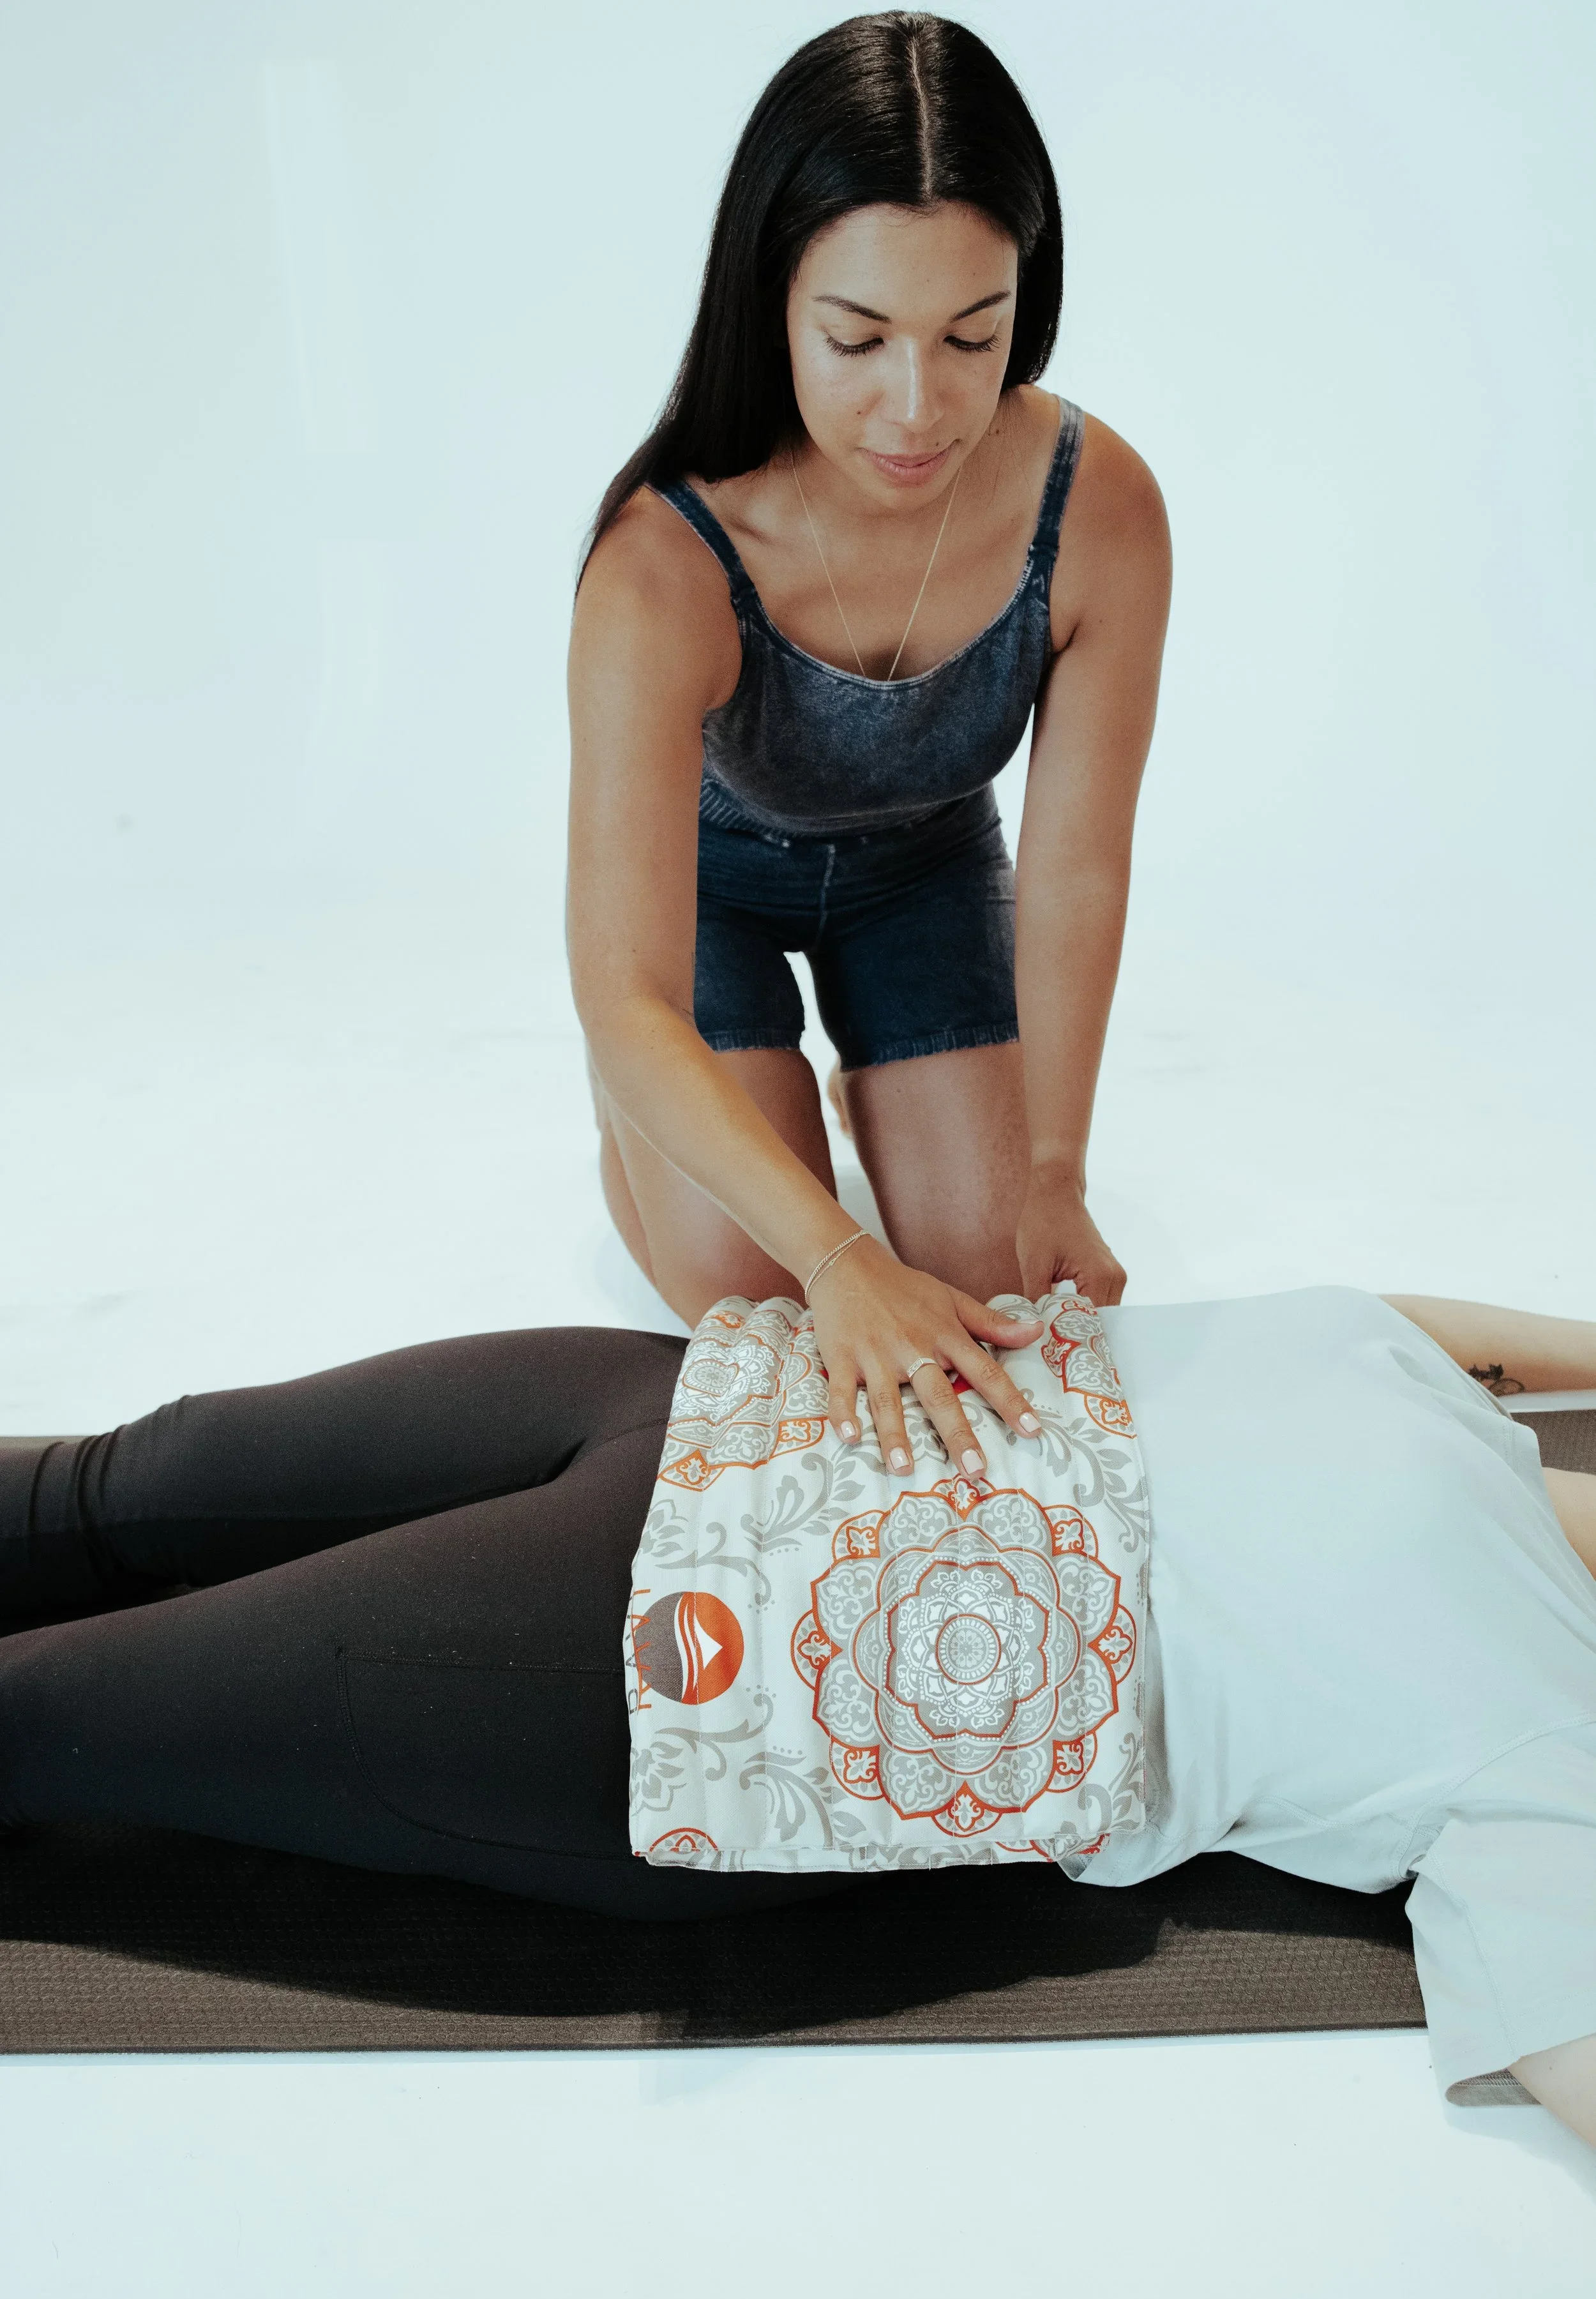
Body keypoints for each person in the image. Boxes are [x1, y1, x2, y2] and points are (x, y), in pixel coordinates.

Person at [2, 1284, 1593, 2148]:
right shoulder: (1441, 1374)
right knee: (108, 1488)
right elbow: (1443, 1322)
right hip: (679, 1398)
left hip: (668, 1670)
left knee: (42, 1715)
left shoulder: (1550, 1754)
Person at [566, 12, 1171, 1465]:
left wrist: (1053, 1166)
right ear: (769, 304)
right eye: (856, 339)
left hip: (920, 872)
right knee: (765, 1315)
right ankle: (654, 1141)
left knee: (992, 1292)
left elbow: (1075, 868)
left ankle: (875, 1083)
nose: (917, 406)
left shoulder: (1098, 508)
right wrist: (837, 1257)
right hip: (705, 895)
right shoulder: (661, 563)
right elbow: (622, 982)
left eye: (973, 334)